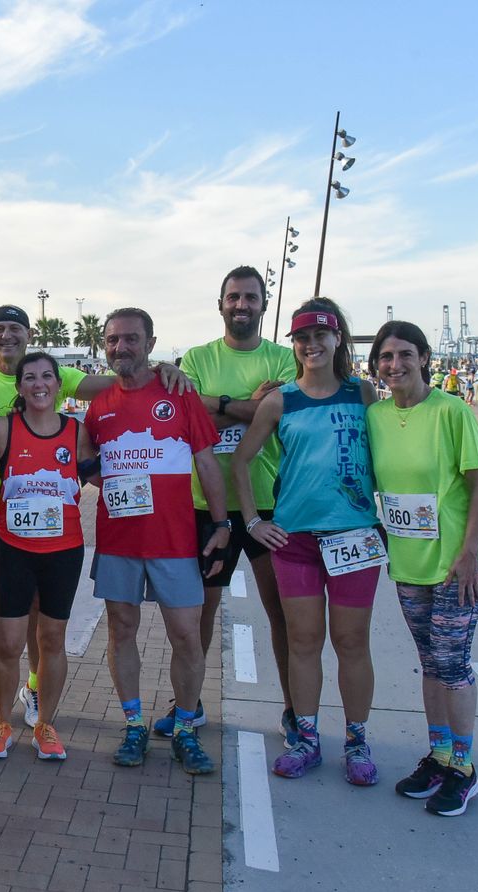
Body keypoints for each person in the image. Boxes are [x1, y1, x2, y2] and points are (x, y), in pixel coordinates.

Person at [0, 304, 181, 731]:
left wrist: (160, 371)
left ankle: (34, 688)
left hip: (52, 529)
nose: (7, 336)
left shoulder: (59, 382)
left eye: (16, 328)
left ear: (30, 336)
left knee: (39, 614)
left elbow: (119, 382)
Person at [234, 299, 382, 786]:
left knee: (351, 641)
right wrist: (254, 521)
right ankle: (307, 737)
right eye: (301, 338)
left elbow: (391, 452)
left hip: (354, 538)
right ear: (293, 345)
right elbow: (241, 460)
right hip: (295, 540)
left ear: (338, 338)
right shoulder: (280, 401)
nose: (311, 344)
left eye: (321, 335)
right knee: (303, 641)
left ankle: (357, 740)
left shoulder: (363, 394)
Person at [86, 309, 228, 774]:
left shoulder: (179, 394)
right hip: (119, 540)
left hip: (174, 541)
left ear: (150, 343)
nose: (120, 348)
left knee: (186, 636)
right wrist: (107, 485)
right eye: (112, 340)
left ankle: (186, 728)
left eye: (130, 339)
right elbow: (85, 461)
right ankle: (133, 725)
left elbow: (207, 464)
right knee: (121, 630)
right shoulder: (99, 405)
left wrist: (223, 525)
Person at [161, 266, 298, 746]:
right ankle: (188, 706)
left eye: (251, 298)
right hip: (206, 506)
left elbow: (282, 413)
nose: (242, 305)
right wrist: (251, 404)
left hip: (268, 506)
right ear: (220, 304)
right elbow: (188, 411)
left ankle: (295, 711)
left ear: (264, 304)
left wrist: (216, 404)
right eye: (234, 297)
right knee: (200, 611)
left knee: (282, 613)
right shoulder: (198, 356)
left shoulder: (285, 358)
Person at [367, 321, 478, 816]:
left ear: (424, 358)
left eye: (404, 355)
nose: (394, 365)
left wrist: (467, 554)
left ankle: (464, 768)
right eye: (385, 357)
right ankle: (440, 754)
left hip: (456, 564)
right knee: (430, 661)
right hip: (409, 562)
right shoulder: (375, 415)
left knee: (452, 662)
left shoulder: (451, 410)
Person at [0, 352, 96, 761]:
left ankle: (45, 725)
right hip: (14, 550)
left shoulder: (76, 431)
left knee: (52, 640)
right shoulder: (3, 430)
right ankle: (1, 722)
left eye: (47, 377)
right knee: (10, 642)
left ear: (59, 385)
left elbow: (100, 474)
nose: (39, 384)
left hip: (64, 552)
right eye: (30, 377)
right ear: (19, 387)